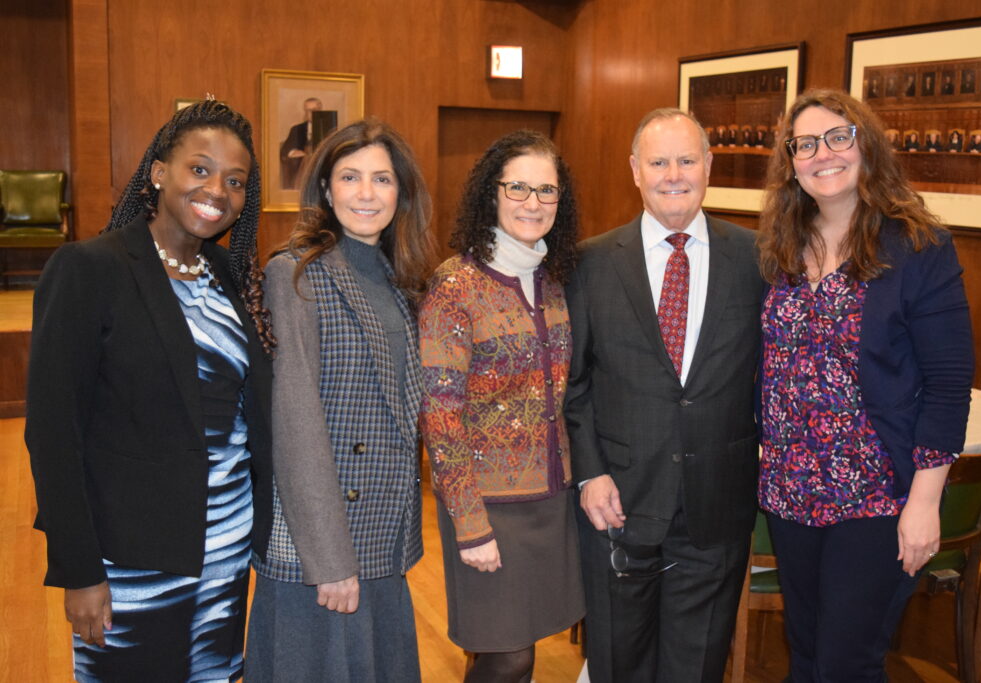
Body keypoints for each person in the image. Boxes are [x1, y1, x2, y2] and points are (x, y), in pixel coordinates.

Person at [25, 99, 274, 681]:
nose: (217, 189)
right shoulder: (91, 269)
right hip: (131, 562)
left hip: (225, 550)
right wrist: (79, 570)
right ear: (159, 172)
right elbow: (54, 435)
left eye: (235, 181)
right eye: (200, 168)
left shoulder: (227, 276)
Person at [757, 89, 973, 681]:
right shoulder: (780, 247)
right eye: (805, 144)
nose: (822, 154)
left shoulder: (919, 246)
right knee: (803, 651)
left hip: (877, 493)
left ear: (865, 146)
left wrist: (925, 503)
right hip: (790, 489)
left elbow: (950, 384)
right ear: (790, 161)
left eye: (838, 137)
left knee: (847, 661)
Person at [565, 108, 762, 682]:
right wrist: (590, 473)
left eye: (686, 159)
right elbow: (572, 386)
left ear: (708, 165)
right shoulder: (590, 263)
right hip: (616, 504)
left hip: (716, 509)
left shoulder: (756, 258)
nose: (672, 174)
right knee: (617, 667)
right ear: (634, 170)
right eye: (658, 161)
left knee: (696, 669)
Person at [245, 118, 435, 682]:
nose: (367, 193)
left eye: (382, 179)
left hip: (382, 537)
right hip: (321, 546)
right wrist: (328, 560)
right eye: (350, 177)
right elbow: (297, 422)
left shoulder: (403, 279)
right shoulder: (295, 273)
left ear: (401, 193)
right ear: (326, 190)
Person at [420, 130, 585, 683]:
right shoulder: (455, 286)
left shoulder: (557, 281)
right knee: (506, 655)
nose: (533, 203)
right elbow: (440, 414)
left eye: (547, 191)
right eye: (518, 188)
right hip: (487, 503)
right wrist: (469, 522)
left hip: (550, 497)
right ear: (492, 193)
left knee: (526, 650)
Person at [279, 97, 323, 190]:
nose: (310, 113)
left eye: (314, 110)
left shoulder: (327, 129)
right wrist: (293, 152)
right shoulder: (297, 129)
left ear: (320, 111)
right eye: (307, 110)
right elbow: (285, 150)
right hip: (300, 169)